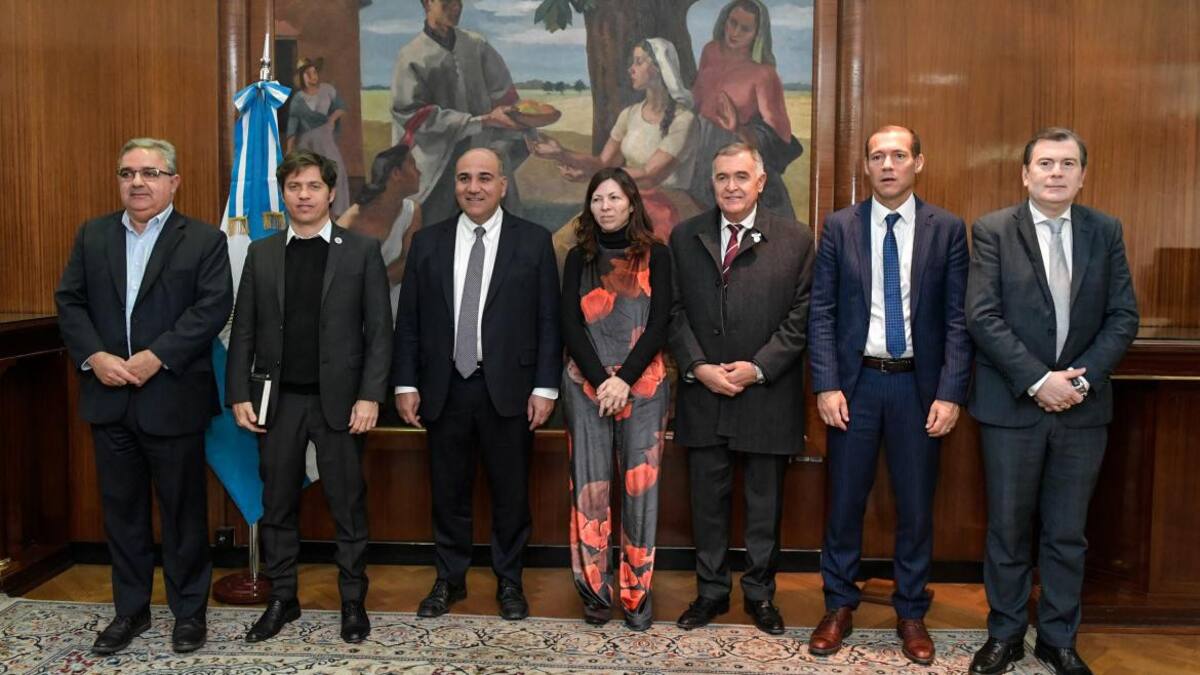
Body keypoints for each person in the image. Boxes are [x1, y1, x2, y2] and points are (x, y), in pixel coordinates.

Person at [966, 128, 1138, 675]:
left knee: (1067, 532)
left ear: (1083, 175)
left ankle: (1058, 638)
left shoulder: (1105, 231)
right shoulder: (993, 230)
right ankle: (1006, 633)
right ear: (1026, 173)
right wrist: (1041, 380)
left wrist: (1079, 384)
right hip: (1012, 406)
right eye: (1045, 163)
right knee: (1009, 528)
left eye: (1068, 164)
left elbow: (1122, 316)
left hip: (1083, 410)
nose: (1056, 173)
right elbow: (983, 316)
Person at [55, 137, 233, 655]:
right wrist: (95, 357)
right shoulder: (93, 235)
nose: (138, 182)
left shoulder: (202, 240)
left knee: (182, 514)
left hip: (172, 396)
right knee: (122, 513)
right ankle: (130, 612)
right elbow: (70, 302)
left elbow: (212, 307)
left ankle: (188, 614)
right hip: (109, 398)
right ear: (119, 180)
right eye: (128, 172)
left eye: (151, 173)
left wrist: (157, 356)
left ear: (174, 182)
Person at [806, 125, 972, 665]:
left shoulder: (946, 229)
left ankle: (910, 611)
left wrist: (950, 392)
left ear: (918, 162)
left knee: (917, 505)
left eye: (898, 155)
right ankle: (837, 605)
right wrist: (827, 383)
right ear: (866, 166)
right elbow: (823, 312)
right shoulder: (839, 227)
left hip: (917, 387)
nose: (887, 165)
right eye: (877, 156)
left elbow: (956, 320)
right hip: (857, 385)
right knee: (845, 501)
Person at [226, 150, 393, 645]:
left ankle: (351, 601)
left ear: (330, 192)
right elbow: (244, 333)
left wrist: (370, 397)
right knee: (276, 502)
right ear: (285, 194)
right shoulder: (262, 252)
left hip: (341, 403)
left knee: (347, 504)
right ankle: (283, 598)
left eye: (313, 186)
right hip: (277, 402)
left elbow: (380, 332)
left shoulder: (361, 250)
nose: (303, 195)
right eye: (294, 187)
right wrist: (239, 392)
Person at [392, 148, 560, 621]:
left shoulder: (533, 242)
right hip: (445, 387)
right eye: (464, 178)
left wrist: (545, 388)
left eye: (485, 178)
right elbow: (408, 321)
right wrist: (405, 382)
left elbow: (550, 320)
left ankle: (510, 582)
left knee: (510, 494)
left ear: (503, 184)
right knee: (448, 491)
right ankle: (449, 580)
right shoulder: (427, 243)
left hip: (509, 389)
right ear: (455, 185)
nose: (474, 187)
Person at [668, 143, 814, 635]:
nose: (731, 186)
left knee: (763, 505)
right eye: (722, 177)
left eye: (741, 177)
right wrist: (697, 366)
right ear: (711, 182)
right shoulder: (684, 237)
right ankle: (710, 592)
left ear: (761, 180)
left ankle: (760, 595)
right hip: (703, 393)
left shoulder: (795, 240)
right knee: (706, 505)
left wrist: (758, 367)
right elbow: (672, 312)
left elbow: (803, 316)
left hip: (767, 395)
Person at [561, 167, 672, 631]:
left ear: (631, 202)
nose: (605, 207)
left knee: (640, 489)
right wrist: (598, 378)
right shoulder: (576, 257)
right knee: (589, 488)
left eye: (613, 198)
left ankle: (636, 594)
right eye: (597, 199)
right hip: (584, 385)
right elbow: (569, 323)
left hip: (643, 384)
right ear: (590, 207)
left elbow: (661, 320)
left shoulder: (658, 256)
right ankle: (594, 591)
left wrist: (623, 379)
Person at [529, 38, 701, 248]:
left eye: (639, 62)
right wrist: (560, 153)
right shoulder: (629, 114)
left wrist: (593, 176)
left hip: (667, 205)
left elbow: (650, 176)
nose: (631, 69)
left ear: (658, 68)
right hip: (625, 197)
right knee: (561, 245)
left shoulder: (684, 120)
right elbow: (604, 162)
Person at [391, 0, 528, 226]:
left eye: (458, 2)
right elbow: (410, 113)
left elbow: (505, 96)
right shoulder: (411, 56)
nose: (455, 7)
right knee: (437, 232)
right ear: (427, 3)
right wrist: (479, 121)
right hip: (436, 164)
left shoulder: (477, 45)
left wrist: (514, 125)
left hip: (482, 151)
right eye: (447, 2)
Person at [690, 0, 803, 219]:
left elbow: (780, 138)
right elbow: (698, 94)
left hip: (739, 157)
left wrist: (738, 128)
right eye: (732, 23)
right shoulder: (710, 51)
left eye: (745, 29)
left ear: (757, 34)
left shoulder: (763, 74)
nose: (735, 32)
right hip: (701, 153)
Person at [340, 143, 424, 319]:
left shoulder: (412, 210)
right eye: (413, 165)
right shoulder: (351, 222)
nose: (419, 172)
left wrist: (375, 284)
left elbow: (409, 261)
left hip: (396, 311)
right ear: (396, 174)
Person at [286, 57, 351, 217]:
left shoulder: (327, 90)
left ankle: (335, 215)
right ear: (300, 77)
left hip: (325, 139)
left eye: (314, 72)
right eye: (307, 74)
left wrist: (332, 119)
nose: (312, 76)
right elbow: (292, 126)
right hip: (306, 144)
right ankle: (310, 215)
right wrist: (289, 150)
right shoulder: (298, 99)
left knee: (337, 172)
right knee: (308, 177)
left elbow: (341, 107)